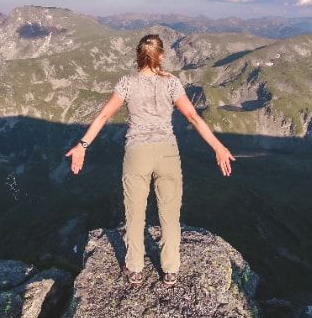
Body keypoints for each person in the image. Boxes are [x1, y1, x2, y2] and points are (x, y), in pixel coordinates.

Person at [68, 33, 234, 282]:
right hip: (167, 151)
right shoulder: (172, 84)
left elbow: (103, 117)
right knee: (170, 213)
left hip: (137, 153)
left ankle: (134, 267)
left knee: (135, 213)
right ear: (162, 56)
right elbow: (193, 118)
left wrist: (82, 145)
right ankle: (170, 269)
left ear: (138, 55)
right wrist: (218, 147)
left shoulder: (126, 83)